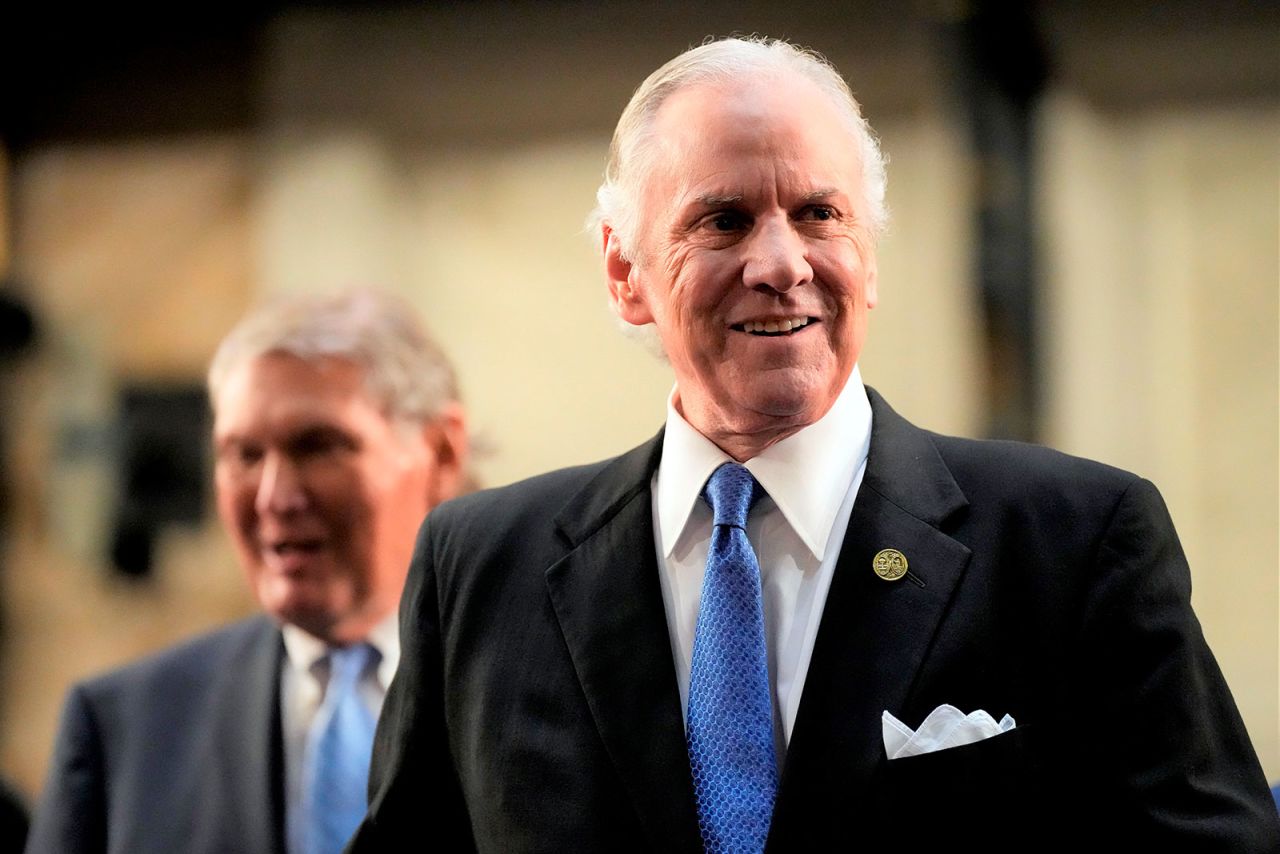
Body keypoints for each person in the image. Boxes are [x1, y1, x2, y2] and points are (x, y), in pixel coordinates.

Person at [350, 37, 1280, 852]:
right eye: (723, 220)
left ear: (867, 258)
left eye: (819, 214)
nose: (782, 263)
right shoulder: (479, 568)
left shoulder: (1074, 542)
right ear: (625, 272)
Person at [26, 288, 469, 854]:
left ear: (440, 452)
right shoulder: (126, 729)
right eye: (244, 455)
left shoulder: (539, 699)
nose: (275, 497)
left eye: (319, 446)